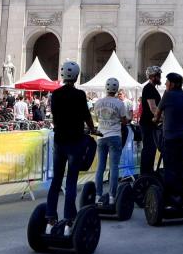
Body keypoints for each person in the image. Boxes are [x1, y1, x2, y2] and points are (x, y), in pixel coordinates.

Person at [46, 62, 96, 232]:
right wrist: (92, 128)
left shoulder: (56, 94)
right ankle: (69, 220)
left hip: (59, 141)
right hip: (75, 141)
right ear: (76, 77)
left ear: (63, 76)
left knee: (56, 180)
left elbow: (54, 116)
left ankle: (50, 218)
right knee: (71, 181)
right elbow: (86, 116)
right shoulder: (80, 95)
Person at [152, 73, 183, 203]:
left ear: (173, 84)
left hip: (170, 137)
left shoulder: (168, 95)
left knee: (170, 167)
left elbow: (157, 114)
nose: (165, 84)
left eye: (167, 82)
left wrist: (154, 120)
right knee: (182, 166)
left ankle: (171, 196)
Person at [93, 78, 128, 202]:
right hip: (114, 136)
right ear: (116, 89)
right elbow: (124, 121)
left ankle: (97, 195)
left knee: (100, 167)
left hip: (102, 136)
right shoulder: (119, 103)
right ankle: (112, 196)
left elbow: (97, 118)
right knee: (114, 167)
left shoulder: (98, 102)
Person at [139, 65, 162, 175]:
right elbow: (153, 107)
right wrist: (164, 117)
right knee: (149, 149)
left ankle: (148, 173)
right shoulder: (149, 88)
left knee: (151, 149)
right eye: (158, 75)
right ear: (152, 77)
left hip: (151, 123)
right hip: (147, 123)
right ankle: (145, 174)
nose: (160, 77)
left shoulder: (152, 88)